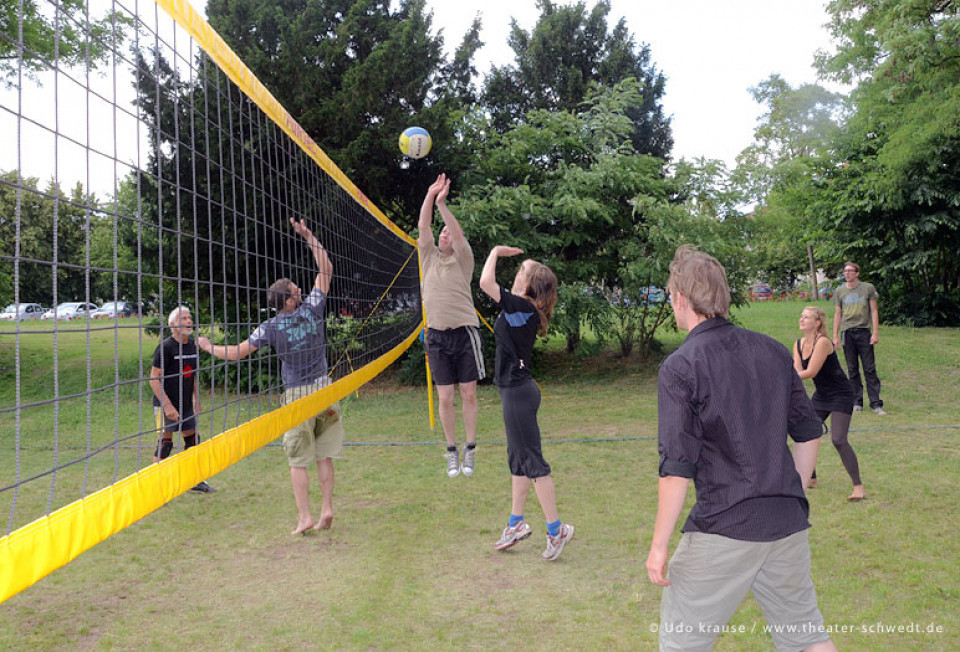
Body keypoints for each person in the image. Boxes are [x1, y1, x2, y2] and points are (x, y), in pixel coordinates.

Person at [646, 246, 836, 651]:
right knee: (806, 636)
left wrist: (659, 546)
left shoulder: (681, 365)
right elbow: (808, 433)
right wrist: (793, 492)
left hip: (725, 525)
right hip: (785, 521)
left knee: (682, 643)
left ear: (680, 298)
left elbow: (676, 467)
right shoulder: (773, 350)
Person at [198, 218, 342, 534]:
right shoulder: (312, 308)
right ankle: (326, 509)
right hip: (325, 390)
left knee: (297, 459)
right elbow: (326, 268)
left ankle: (305, 517)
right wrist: (308, 236)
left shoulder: (271, 327)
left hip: (297, 396)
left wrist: (208, 347)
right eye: (295, 290)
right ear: (289, 301)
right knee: (324, 455)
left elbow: (237, 352)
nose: (300, 290)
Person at [479, 246, 574, 561]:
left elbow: (485, 283)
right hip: (514, 392)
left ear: (532, 285)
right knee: (519, 462)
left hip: (519, 394)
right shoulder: (520, 308)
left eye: (523, 270)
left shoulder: (523, 307)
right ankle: (516, 524)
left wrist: (495, 252)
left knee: (534, 465)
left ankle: (556, 530)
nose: (518, 271)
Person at [419, 173, 484, 478]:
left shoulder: (463, 259)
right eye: (441, 232)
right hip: (436, 336)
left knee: (468, 393)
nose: (444, 235)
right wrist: (430, 195)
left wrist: (443, 205)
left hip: (465, 333)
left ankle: (470, 447)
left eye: (447, 232)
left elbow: (457, 234)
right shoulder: (428, 257)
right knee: (444, 397)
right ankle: (451, 451)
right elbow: (424, 227)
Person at [794, 306, 866, 502]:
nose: (801, 319)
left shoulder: (823, 342)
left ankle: (858, 487)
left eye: (806, 317)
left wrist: (784, 377)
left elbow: (810, 372)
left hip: (841, 394)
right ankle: (811, 478)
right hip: (822, 395)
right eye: (801, 316)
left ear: (817, 323)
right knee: (805, 432)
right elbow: (797, 372)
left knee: (839, 439)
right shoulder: (798, 344)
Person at [149, 306, 216, 494]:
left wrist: (196, 398)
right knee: (165, 444)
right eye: (183, 319)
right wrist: (167, 405)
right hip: (165, 403)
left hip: (185, 403)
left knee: (193, 440)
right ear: (172, 325)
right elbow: (153, 378)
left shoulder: (193, 346)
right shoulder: (166, 347)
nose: (188, 321)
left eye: (189, 318)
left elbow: (192, 373)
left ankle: (194, 481)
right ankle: (156, 487)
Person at [833, 262, 885, 414]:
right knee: (852, 369)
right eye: (845, 271)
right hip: (847, 332)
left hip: (863, 331)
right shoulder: (839, 291)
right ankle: (857, 401)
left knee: (869, 368)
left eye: (850, 271)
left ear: (857, 273)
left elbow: (874, 310)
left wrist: (875, 332)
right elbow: (838, 313)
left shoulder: (867, 288)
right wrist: (835, 335)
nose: (847, 273)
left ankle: (875, 403)